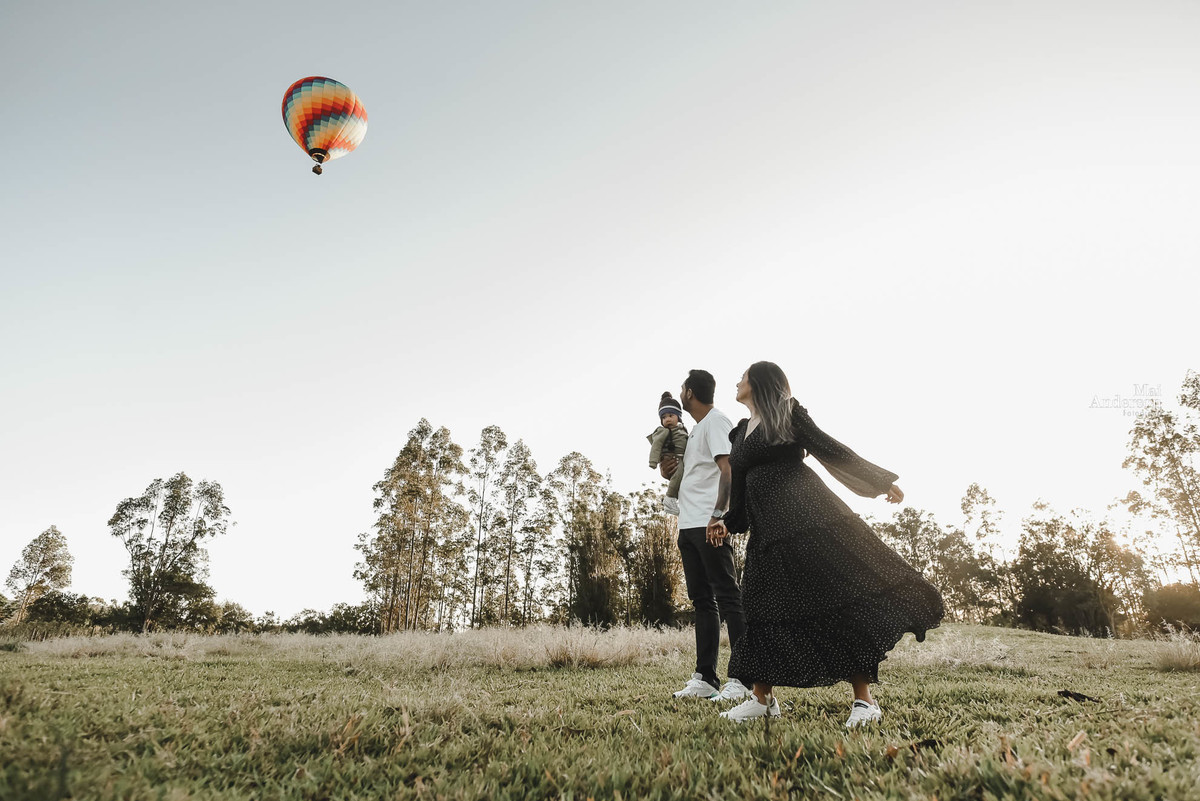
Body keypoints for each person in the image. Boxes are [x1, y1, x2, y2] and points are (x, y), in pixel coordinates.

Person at [709, 361, 945, 727]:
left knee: (833, 598)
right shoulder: (739, 435)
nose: (737, 381)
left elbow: (829, 449)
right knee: (759, 607)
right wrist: (726, 522)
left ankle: (865, 702)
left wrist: (879, 481)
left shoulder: (788, 413)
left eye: (743, 376)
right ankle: (761, 698)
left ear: (759, 382)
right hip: (767, 535)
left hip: (808, 519)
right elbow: (739, 495)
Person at [663, 369, 751, 702]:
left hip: (708, 523)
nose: (680, 393)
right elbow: (699, 474)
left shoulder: (716, 422)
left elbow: (729, 468)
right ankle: (705, 677)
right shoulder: (698, 429)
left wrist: (720, 515)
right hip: (688, 525)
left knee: (728, 598)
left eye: (682, 388)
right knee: (702, 601)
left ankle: (743, 678)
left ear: (689, 393)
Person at [647, 392, 689, 515]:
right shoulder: (663, 431)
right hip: (673, 458)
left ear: (678, 417)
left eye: (671, 415)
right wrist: (653, 462)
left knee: (680, 476)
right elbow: (656, 445)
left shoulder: (683, 430)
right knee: (678, 472)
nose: (667, 419)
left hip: (682, 458)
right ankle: (669, 498)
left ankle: (673, 498)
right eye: (664, 417)